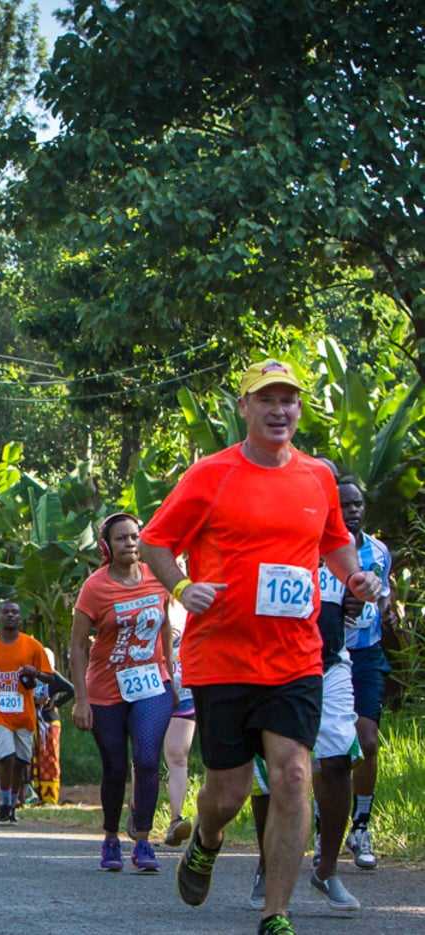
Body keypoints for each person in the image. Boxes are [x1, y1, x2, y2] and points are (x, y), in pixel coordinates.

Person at [139, 359, 382, 935]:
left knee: (294, 775)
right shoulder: (211, 474)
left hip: (295, 655)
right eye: (266, 399)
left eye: (289, 400)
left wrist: (355, 578)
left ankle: (276, 914)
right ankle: (207, 836)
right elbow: (155, 543)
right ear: (243, 407)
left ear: (299, 409)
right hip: (222, 656)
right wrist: (181, 585)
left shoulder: (317, 476)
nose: (279, 410)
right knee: (228, 790)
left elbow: (335, 544)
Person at [248, 458, 363, 913]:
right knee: (273, 776)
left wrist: (363, 588)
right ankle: (267, 862)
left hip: (330, 663)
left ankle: (327, 869)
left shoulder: (347, 542)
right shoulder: (272, 523)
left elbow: (360, 594)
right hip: (270, 665)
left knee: (336, 761)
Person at [70, 512, 174, 873]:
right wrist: (81, 700)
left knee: (146, 760)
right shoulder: (95, 587)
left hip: (152, 683)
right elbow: (78, 647)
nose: (130, 543)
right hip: (106, 689)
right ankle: (111, 836)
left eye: (134, 536)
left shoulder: (158, 578)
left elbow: (165, 630)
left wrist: (172, 677)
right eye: (121, 539)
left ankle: (143, 839)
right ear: (107, 546)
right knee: (115, 767)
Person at [337, 479, 394, 870]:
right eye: (345, 505)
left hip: (368, 654)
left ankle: (360, 825)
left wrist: (387, 607)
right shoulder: (322, 551)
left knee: (368, 740)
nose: (354, 511)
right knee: (330, 749)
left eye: (358, 504)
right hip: (329, 653)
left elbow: (384, 590)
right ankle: (326, 822)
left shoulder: (379, 551)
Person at [0, 601, 52, 825]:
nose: (11, 615)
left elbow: (50, 676)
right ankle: (4, 802)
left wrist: (35, 673)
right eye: (6, 612)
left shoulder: (32, 645)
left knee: (20, 761)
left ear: (20, 618)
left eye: (15, 612)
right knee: (6, 755)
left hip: (24, 714)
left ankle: (11, 804)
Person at [163, 597, 196, 846]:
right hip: (152, 688)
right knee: (144, 756)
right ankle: (138, 813)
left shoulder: (195, 604)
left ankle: (175, 820)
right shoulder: (148, 596)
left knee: (178, 754)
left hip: (186, 690)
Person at [32, 648, 73, 805]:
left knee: (49, 758)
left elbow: (71, 690)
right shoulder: (34, 676)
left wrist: (55, 704)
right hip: (35, 720)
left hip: (50, 722)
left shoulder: (53, 676)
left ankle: (50, 797)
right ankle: (37, 795)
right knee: (36, 757)